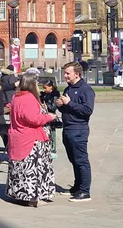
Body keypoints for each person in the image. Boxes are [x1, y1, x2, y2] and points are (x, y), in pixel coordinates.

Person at [6, 74, 58, 207]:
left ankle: (18, 194)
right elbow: (32, 118)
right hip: (31, 139)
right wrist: (48, 117)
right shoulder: (28, 98)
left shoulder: (15, 97)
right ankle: (34, 198)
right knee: (33, 169)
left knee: (19, 169)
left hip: (17, 136)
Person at [56, 62, 94, 202]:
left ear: (76, 74)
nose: (65, 75)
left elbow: (87, 110)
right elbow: (68, 109)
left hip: (78, 129)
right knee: (73, 160)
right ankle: (77, 187)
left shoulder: (86, 90)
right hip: (67, 128)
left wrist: (69, 103)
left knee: (81, 160)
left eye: (67, 73)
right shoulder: (68, 89)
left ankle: (85, 191)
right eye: (65, 73)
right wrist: (60, 105)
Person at [39, 77, 62, 159]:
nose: (44, 90)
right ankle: (46, 149)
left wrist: (45, 106)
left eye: (45, 88)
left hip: (51, 117)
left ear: (51, 87)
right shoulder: (44, 94)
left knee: (52, 134)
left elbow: (53, 107)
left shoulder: (55, 95)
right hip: (44, 116)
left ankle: (53, 150)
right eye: (43, 88)